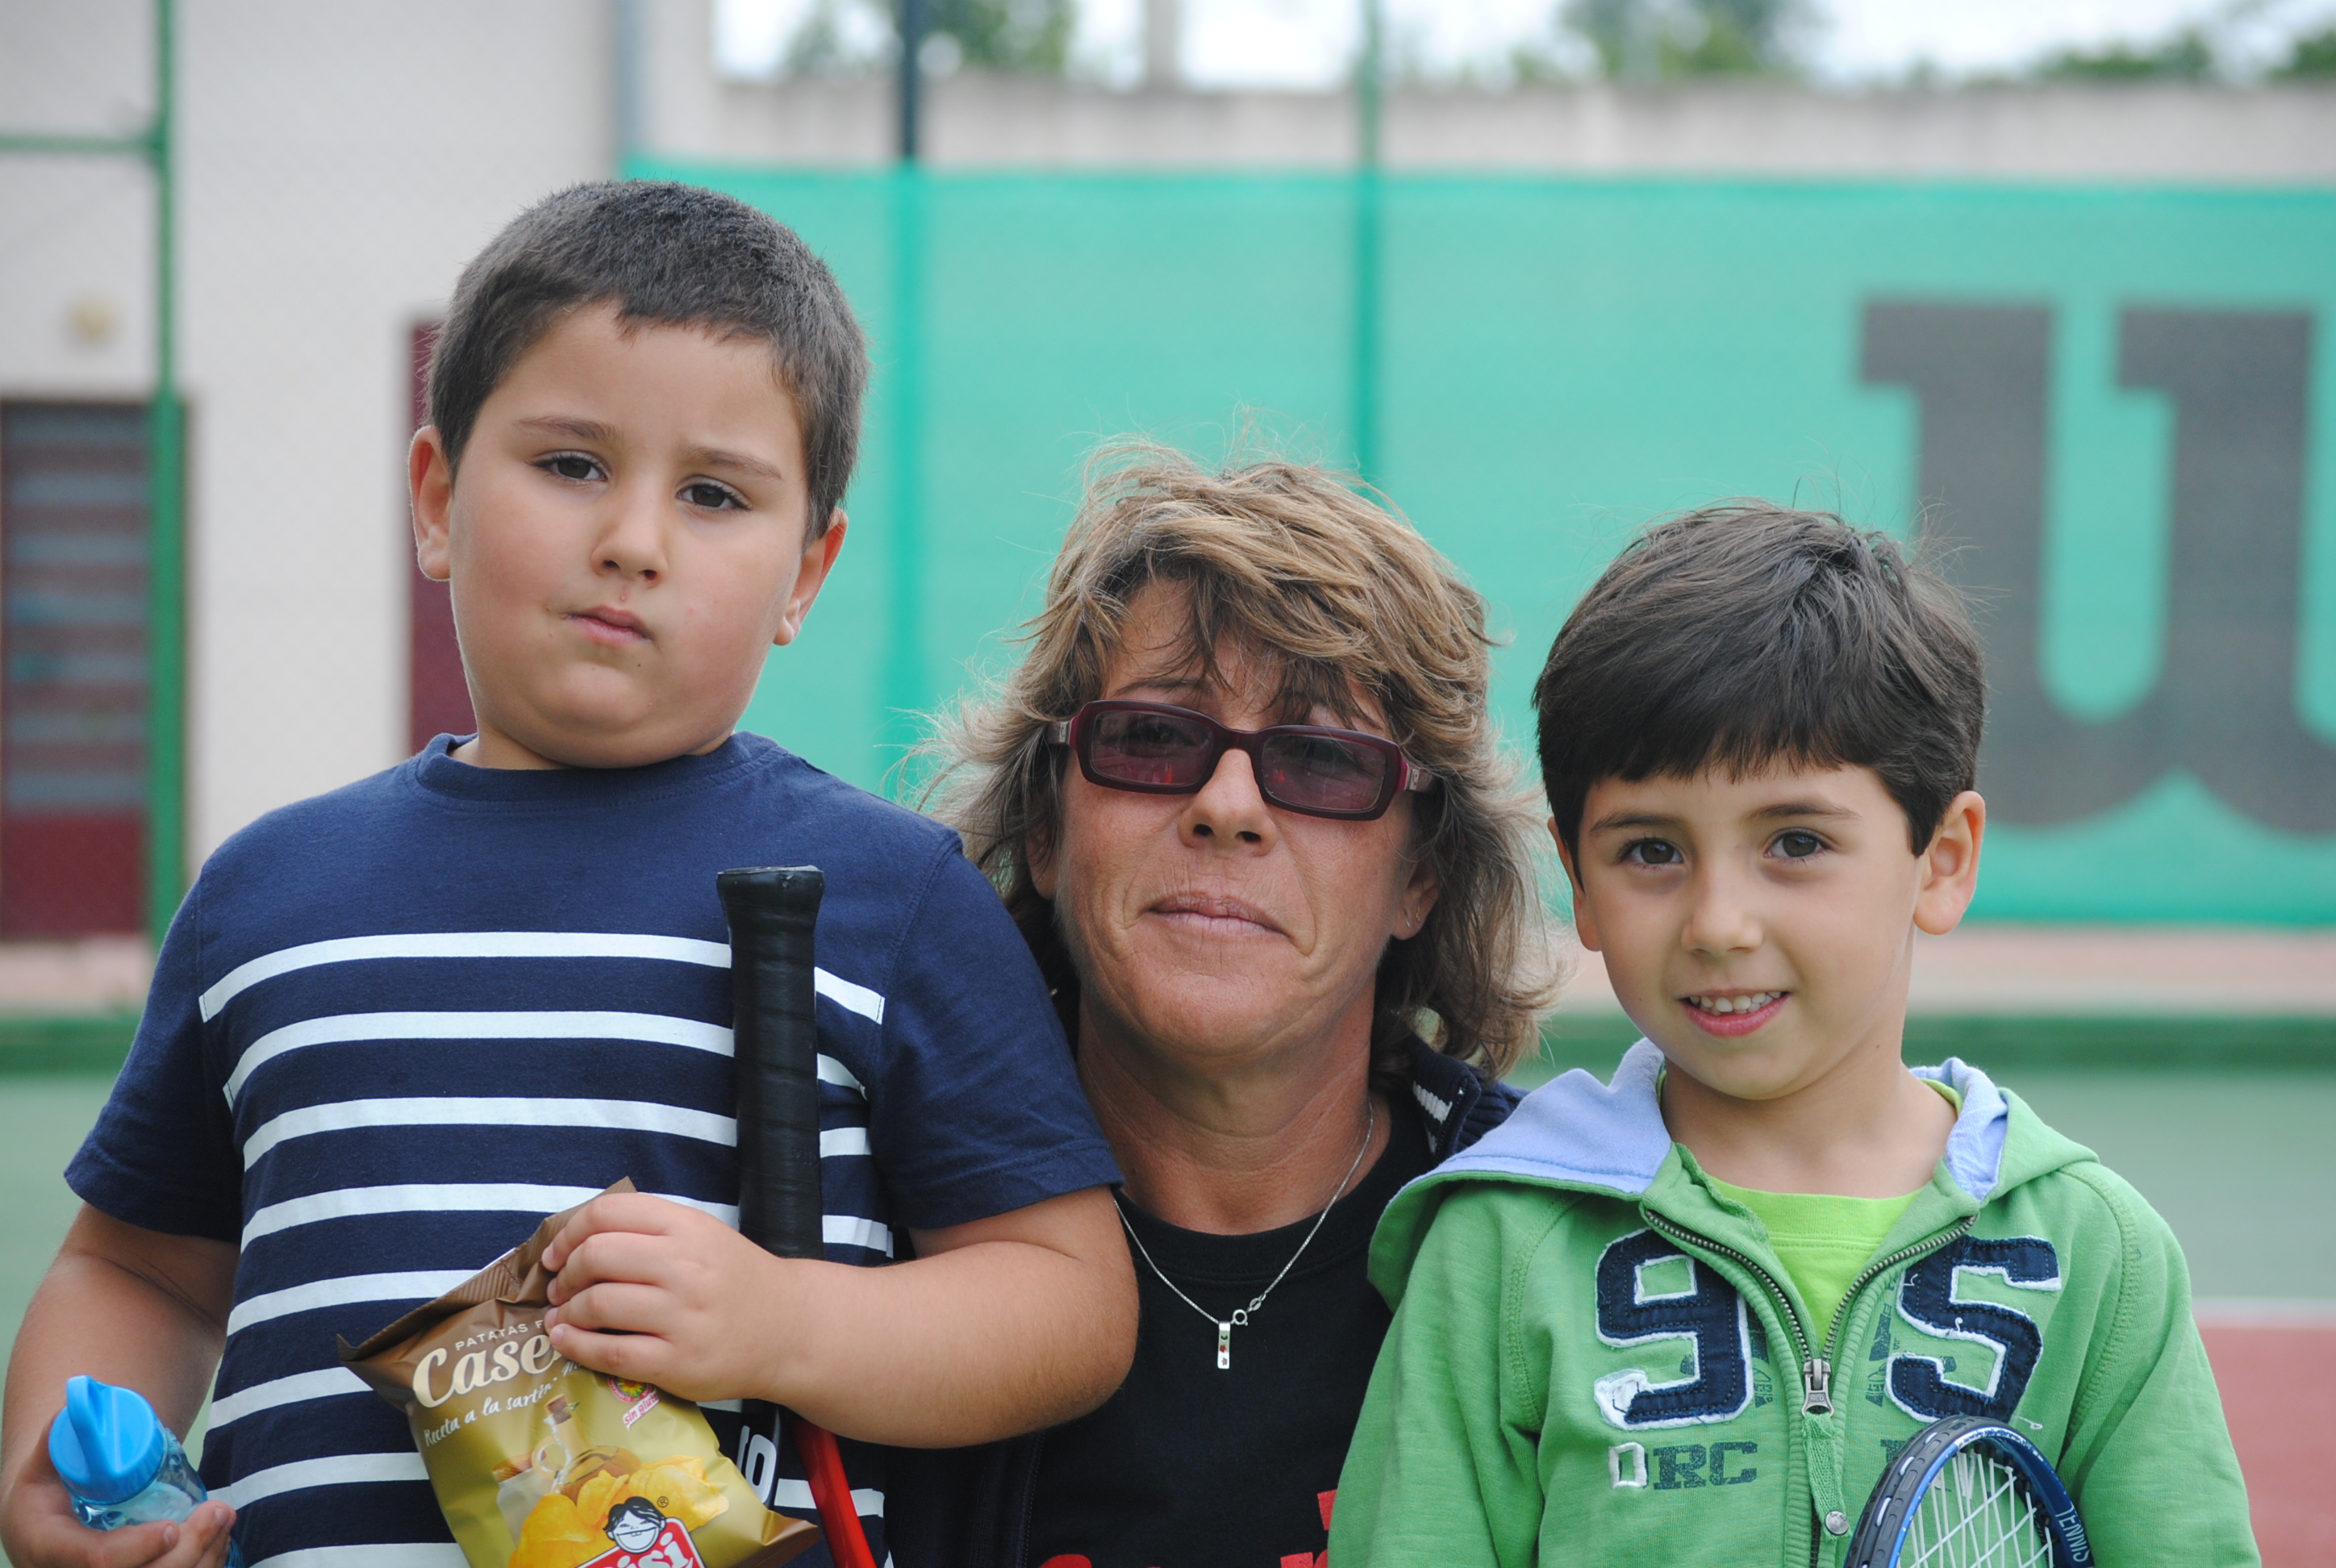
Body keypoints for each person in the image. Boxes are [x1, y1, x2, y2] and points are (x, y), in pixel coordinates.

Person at [0, 181, 1137, 1568]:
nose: (633, 541)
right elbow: (139, 1271)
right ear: (437, 500)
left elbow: (1069, 1306)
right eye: (572, 465)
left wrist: (788, 1324)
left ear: (806, 573)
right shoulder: (264, 899)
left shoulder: (890, 897)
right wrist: (58, 1465)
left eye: (714, 494)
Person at [1329, 503, 2259, 1566]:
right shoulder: (1498, 1247)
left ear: (1944, 860)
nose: (1719, 924)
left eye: (1797, 842)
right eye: (1650, 851)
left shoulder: (2098, 1254)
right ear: (1577, 881)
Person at [896, 448, 1562, 1568]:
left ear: (1421, 878)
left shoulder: (1559, 1250)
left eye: (1321, 760)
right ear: (1046, 830)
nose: (1229, 805)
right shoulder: (868, 1230)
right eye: (1154, 738)